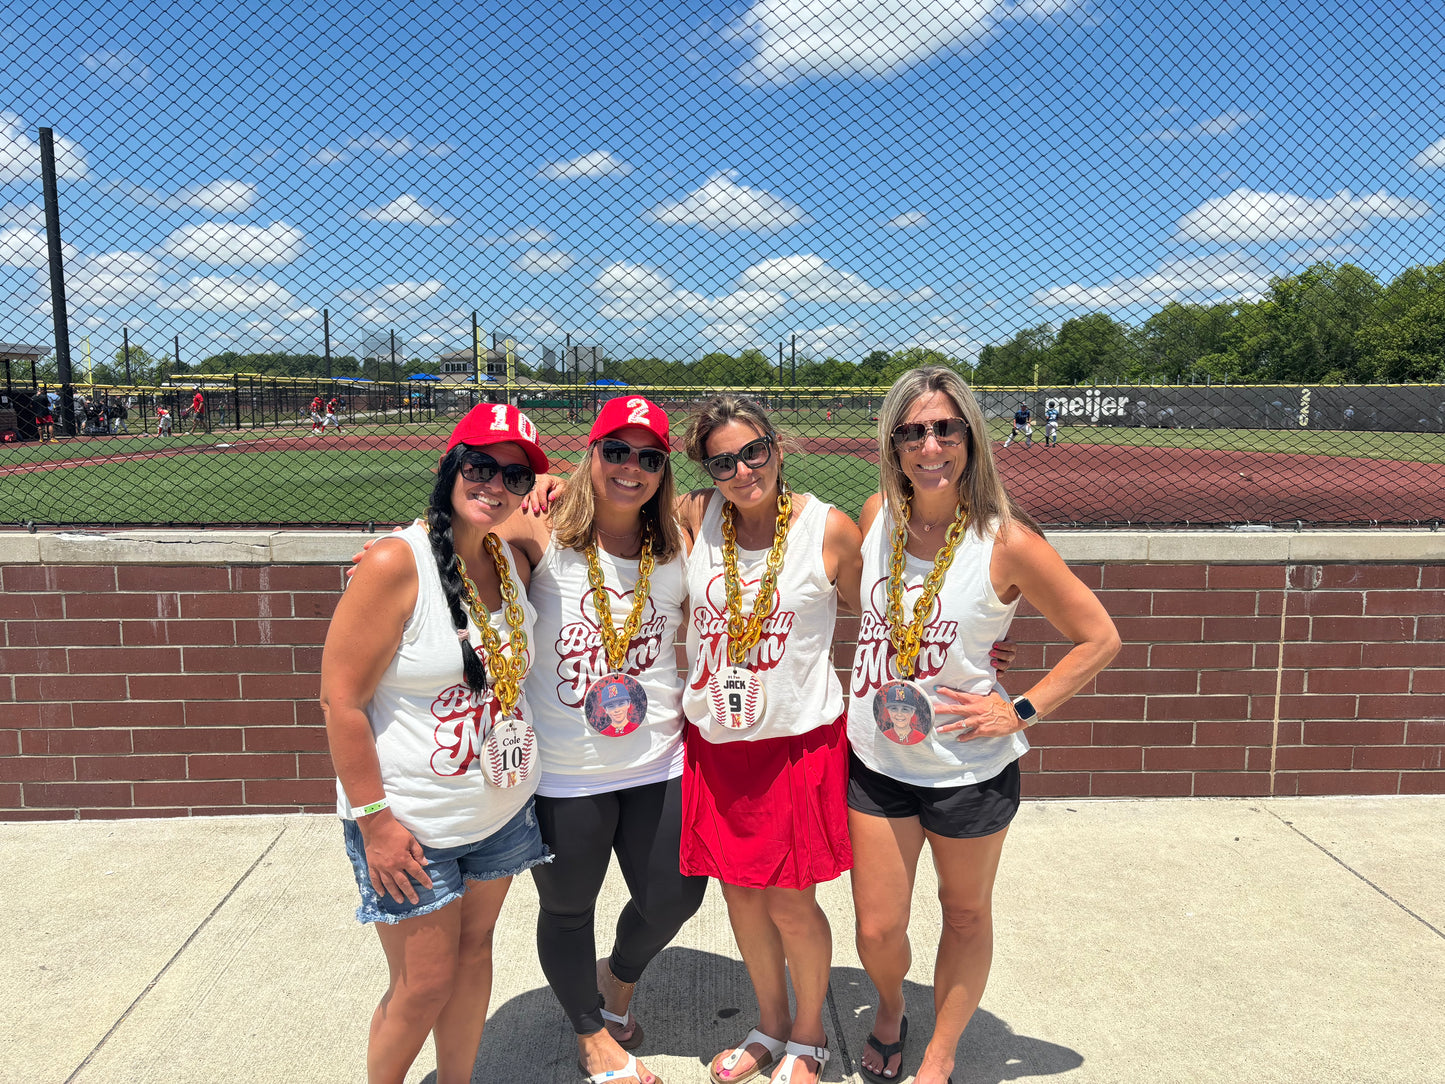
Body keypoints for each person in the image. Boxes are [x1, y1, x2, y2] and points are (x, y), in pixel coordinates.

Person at [846, 367, 1119, 1084]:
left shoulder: (1006, 541)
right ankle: (886, 1007)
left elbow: (1098, 638)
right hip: (876, 758)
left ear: (969, 436)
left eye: (944, 428)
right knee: (876, 928)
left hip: (969, 769)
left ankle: (939, 1054)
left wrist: (1019, 706)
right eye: (911, 432)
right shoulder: (877, 515)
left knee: (963, 916)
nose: (928, 445)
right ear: (892, 444)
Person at [320, 402, 553, 1084]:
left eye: (513, 476)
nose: (495, 485)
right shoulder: (397, 562)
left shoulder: (510, 558)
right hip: (411, 822)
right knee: (421, 985)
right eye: (479, 466)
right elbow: (340, 701)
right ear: (449, 467)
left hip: (502, 814)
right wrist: (376, 823)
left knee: (475, 956)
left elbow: (591, 484)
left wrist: (549, 482)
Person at [676, 394, 863, 1084]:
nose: (742, 470)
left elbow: (883, 609)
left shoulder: (827, 528)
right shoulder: (694, 515)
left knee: (789, 898)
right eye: (721, 461)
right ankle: (770, 1024)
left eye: (753, 451)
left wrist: (980, 651)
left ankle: (809, 1034)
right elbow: (593, 505)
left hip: (794, 740)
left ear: (777, 448)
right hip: (720, 742)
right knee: (741, 896)